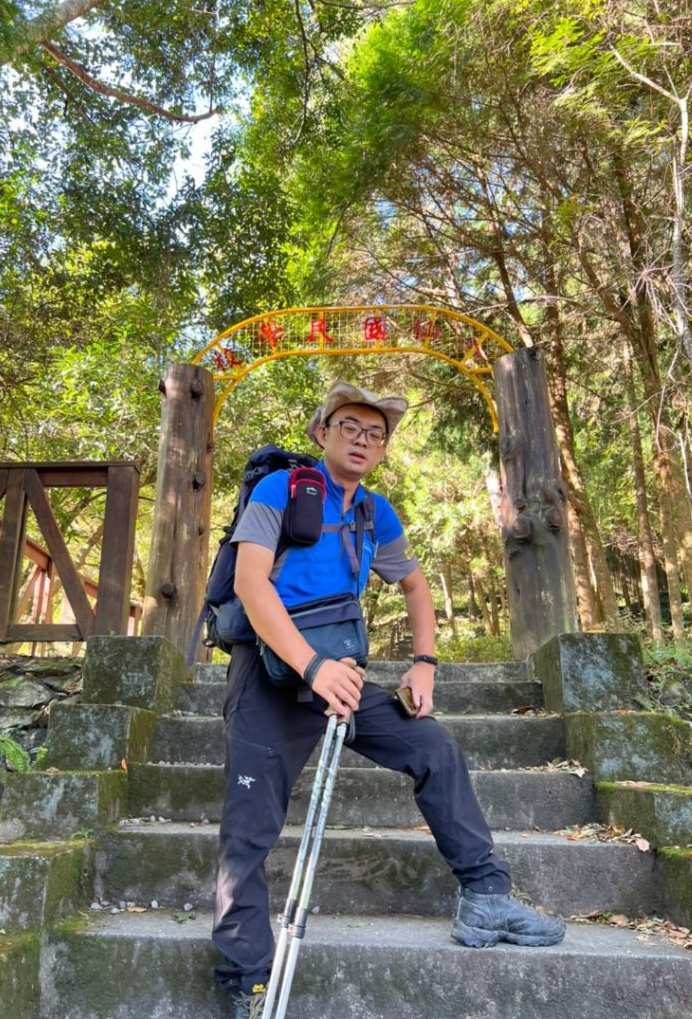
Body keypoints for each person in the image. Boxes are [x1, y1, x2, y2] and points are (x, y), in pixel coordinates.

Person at [212, 381, 565, 1018]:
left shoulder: (378, 513)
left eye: (375, 434)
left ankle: (486, 896)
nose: (363, 440)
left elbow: (416, 585)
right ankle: (248, 978)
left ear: (383, 451)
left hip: (341, 677)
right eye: (350, 426)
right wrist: (312, 665)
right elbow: (249, 584)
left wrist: (424, 664)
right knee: (248, 831)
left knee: (433, 745)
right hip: (270, 676)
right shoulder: (280, 491)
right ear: (322, 432)